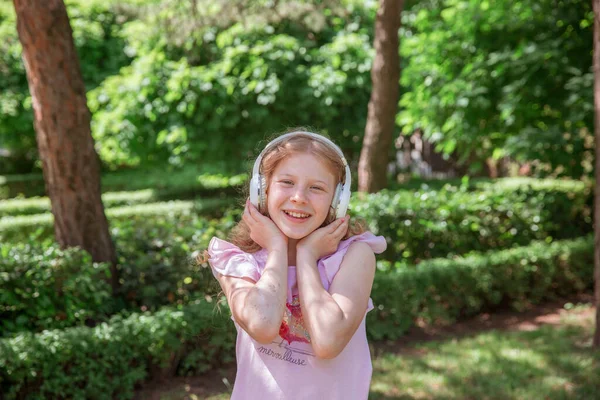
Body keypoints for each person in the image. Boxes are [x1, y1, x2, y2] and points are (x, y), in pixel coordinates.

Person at [205, 129, 387, 399]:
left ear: (338, 201)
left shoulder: (355, 255)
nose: (299, 197)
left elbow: (328, 341)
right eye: (287, 182)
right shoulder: (236, 260)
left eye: (316, 187)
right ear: (262, 190)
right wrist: (277, 248)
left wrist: (306, 257)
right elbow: (263, 325)